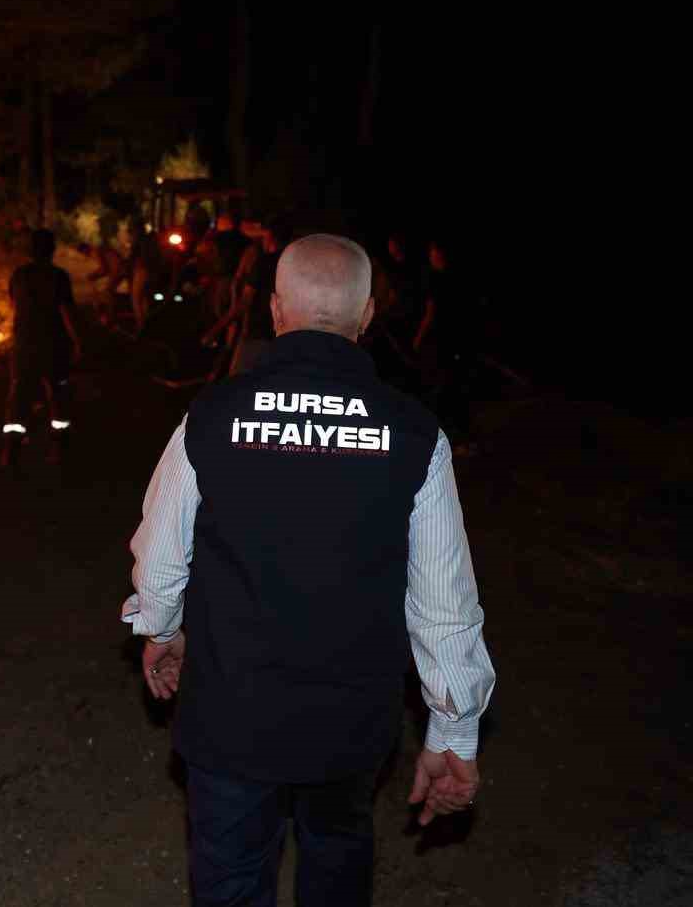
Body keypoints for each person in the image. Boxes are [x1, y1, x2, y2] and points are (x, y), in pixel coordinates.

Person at [122, 233, 495, 907]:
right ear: (368, 315)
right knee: (337, 860)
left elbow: (160, 554)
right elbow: (444, 604)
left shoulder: (210, 416)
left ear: (272, 310)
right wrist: (454, 731)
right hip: (348, 727)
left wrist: (159, 628)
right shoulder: (414, 435)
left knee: (230, 875)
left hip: (230, 715)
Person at [2, 228, 81, 466]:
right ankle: (58, 448)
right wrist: (79, 341)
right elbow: (66, 312)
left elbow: (14, 305)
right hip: (53, 345)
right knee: (57, 394)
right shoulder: (59, 277)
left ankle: (11, 451)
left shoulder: (18, 275)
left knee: (19, 395)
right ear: (52, 250)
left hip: (24, 344)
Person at [415, 239, 477, 454]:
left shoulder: (442, 279)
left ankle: (457, 438)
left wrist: (419, 338)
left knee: (449, 389)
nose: (434, 257)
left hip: (448, 341)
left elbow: (431, 314)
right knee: (448, 388)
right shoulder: (438, 278)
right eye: (432, 252)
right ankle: (454, 438)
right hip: (447, 341)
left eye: (436, 252)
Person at [201, 221, 285, 377]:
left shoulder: (264, 262)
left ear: (270, 236)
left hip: (258, 332)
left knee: (237, 382)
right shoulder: (292, 262)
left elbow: (245, 302)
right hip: (283, 334)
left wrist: (215, 330)